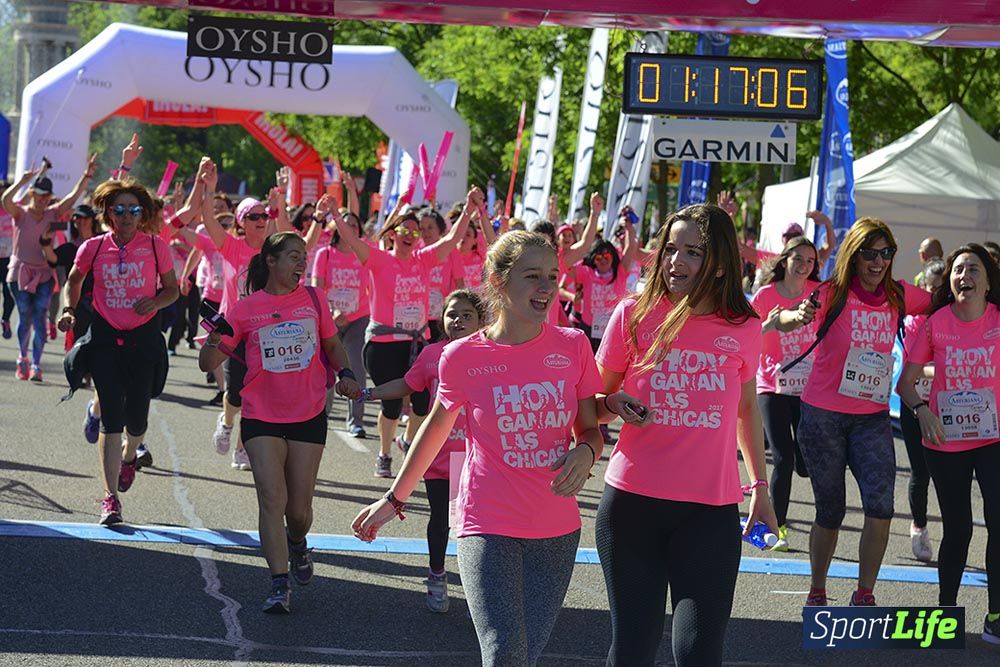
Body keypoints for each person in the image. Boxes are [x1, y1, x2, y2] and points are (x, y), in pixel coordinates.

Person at [353, 230, 604, 666]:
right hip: (486, 522)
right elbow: (433, 432)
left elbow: (590, 430)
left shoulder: (573, 346)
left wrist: (586, 453)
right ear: (498, 280)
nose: (546, 288)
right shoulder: (463, 356)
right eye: (532, 276)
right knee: (504, 651)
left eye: (551, 276)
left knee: (525, 655)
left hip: (557, 527)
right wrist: (393, 500)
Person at [593, 203, 775, 666]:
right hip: (631, 505)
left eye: (693, 252)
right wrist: (611, 403)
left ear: (719, 263)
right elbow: (590, 403)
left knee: (699, 651)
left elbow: (747, 407)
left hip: (710, 513)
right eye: (671, 249)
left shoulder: (745, 326)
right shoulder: (633, 314)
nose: (676, 261)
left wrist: (760, 489)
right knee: (633, 648)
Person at [200, 231, 360, 613]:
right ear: (270, 261)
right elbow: (209, 364)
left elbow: (333, 346)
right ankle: (278, 582)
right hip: (261, 417)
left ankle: (298, 543)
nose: (301, 263)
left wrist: (347, 372)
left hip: (307, 413)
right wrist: (217, 337)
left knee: (299, 511)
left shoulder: (313, 299)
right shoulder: (244, 309)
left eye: (304, 256)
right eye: (292, 256)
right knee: (272, 499)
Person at [776, 217, 931, 607]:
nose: (877, 262)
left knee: (880, 508)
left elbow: (948, 301)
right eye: (869, 254)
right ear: (853, 256)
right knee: (830, 510)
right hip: (822, 416)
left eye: (886, 253)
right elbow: (782, 318)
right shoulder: (833, 292)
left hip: (872, 419)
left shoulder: (899, 294)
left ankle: (864, 594)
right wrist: (797, 317)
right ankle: (817, 590)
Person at [330, 190, 478, 478]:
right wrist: (336, 215)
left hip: (416, 343)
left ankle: (408, 441)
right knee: (393, 405)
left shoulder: (424, 259)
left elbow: (451, 240)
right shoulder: (379, 259)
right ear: (393, 234)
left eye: (415, 231)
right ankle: (384, 454)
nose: (410, 235)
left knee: (422, 403)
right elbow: (352, 240)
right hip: (383, 343)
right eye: (404, 230)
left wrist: (469, 211)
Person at [58, 177, 178, 525]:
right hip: (106, 339)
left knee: (137, 420)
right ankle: (110, 498)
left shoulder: (156, 247)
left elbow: (172, 289)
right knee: (112, 417)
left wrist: (155, 301)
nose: (126, 216)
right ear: (108, 213)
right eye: (119, 209)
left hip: (143, 340)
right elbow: (74, 281)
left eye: (133, 210)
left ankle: (130, 457)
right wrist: (68, 310)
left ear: (142, 214)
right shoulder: (93, 247)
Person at [897, 243, 1000, 645]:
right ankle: (946, 610)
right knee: (958, 530)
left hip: (994, 439)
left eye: (974, 269)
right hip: (945, 441)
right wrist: (921, 409)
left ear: (988, 282)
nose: (964, 276)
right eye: (958, 269)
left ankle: (995, 615)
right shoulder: (935, 323)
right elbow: (905, 382)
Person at [363, 288, 487, 612]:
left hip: (481, 456)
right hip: (442, 454)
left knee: (477, 526)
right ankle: (437, 575)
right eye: (452, 314)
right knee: (442, 519)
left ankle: (481, 585)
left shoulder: (493, 352)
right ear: (442, 319)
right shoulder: (433, 354)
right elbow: (407, 384)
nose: (458, 320)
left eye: (467, 315)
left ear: (481, 320)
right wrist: (368, 393)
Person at [178, 158, 290, 470]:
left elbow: (294, 239)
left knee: (257, 396)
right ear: (241, 222)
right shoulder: (231, 246)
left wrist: (280, 206)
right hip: (232, 330)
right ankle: (226, 422)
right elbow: (208, 220)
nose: (261, 219)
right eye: (254, 216)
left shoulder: (274, 250)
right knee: (236, 394)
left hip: (266, 332)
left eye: (263, 215)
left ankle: (242, 448)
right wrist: (210, 189)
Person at [750, 236, 821, 551]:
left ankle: (803, 463)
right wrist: (766, 325)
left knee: (804, 461)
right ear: (784, 260)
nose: (804, 266)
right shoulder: (765, 295)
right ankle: (775, 530)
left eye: (810, 261)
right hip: (772, 384)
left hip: (807, 387)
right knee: (782, 456)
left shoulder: (818, 294)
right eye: (799, 259)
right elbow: (748, 333)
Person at [2, 156, 96, 380]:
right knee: (25, 317)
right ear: (32, 194)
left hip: (44, 273)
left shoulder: (53, 216)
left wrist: (87, 176)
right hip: (20, 272)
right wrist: (23, 181)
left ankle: (36, 364)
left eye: (47, 196)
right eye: (40, 195)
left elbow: (72, 199)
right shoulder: (21, 214)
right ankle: (22, 358)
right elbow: (6, 201)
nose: (43, 200)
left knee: (40, 317)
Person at [312, 196, 371, 437]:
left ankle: (356, 421)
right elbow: (317, 288)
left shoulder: (364, 253)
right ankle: (319, 416)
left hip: (358, 319)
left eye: (355, 226)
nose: (350, 229)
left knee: (356, 369)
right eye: (346, 224)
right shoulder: (324, 254)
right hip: (330, 320)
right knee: (325, 368)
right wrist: (332, 311)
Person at [898, 257, 945, 562]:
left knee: (946, 471)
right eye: (931, 289)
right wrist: (943, 368)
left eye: (942, 291)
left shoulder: (954, 320)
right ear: (922, 287)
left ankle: (954, 531)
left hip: (945, 404)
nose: (935, 297)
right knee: (921, 471)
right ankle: (919, 527)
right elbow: (914, 371)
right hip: (913, 400)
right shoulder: (913, 321)